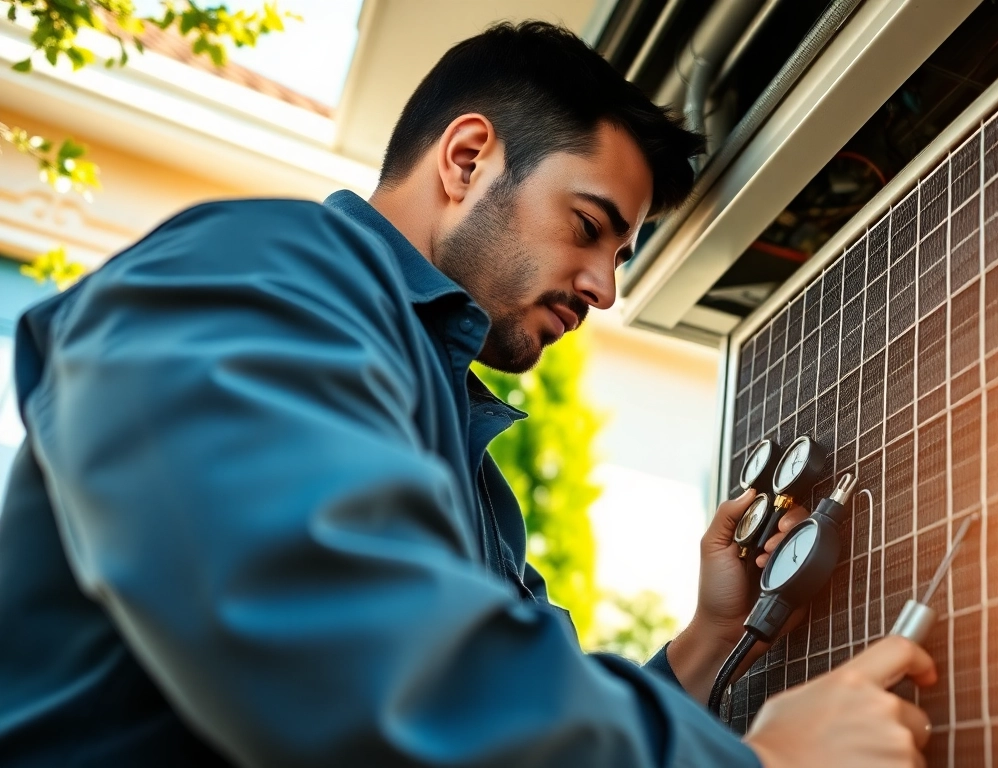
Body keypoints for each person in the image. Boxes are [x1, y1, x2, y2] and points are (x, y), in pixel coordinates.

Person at [0, 21, 936, 768]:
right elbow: (354, 669)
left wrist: (711, 634)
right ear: (466, 159)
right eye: (588, 226)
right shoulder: (247, 275)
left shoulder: (454, 446)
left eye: (619, 255)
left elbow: (519, 704)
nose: (605, 288)